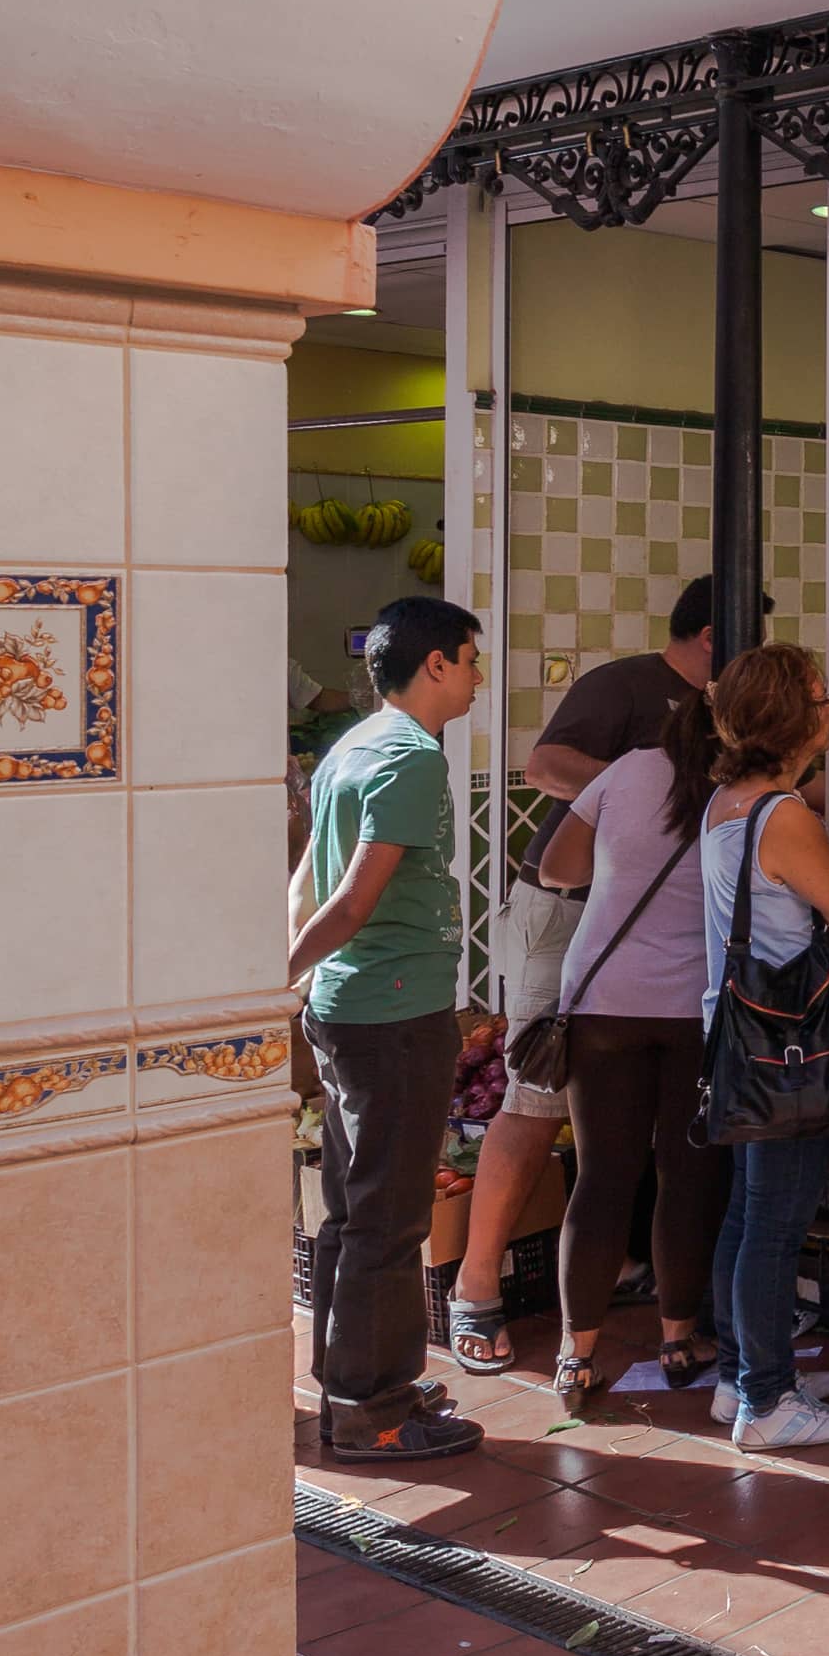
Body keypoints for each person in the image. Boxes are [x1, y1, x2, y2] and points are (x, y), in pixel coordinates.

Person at [445, 578, 755, 1373]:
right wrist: (636, 793)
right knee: (536, 1099)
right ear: (715, 635)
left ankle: (618, 1301)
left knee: (629, 1150)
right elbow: (543, 764)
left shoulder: (725, 721)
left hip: (637, 947)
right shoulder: (623, 686)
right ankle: (476, 1289)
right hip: (573, 922)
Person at [290, 596, 488, 1463]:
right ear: (435, 664)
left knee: (351, 1210)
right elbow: (354, 897)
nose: (480, 674)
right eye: (472, 658)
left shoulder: (352, 747)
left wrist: (296, 972)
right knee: (389, 1217)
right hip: (393, 1010)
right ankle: (374, 1409)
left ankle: (351, 1387)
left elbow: (307, 875)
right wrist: (282, 966)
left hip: (348, 1008)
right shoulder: (408, 757)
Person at [699, 643, 829, 1453]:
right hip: (788, 1046)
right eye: (824, 697)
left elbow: (770, 892)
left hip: (735, 1034)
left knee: (746, 1210)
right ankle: (768, 1403)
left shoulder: (728, 803)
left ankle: (740, 1373)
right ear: (798, 720)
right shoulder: (785, 812)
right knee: (776, 1220)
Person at [533, 688, 729, 1417]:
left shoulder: (624, 772)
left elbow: (555, 869)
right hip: (693, 1010)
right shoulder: (741, 791)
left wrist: (624, 867)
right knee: (687, 1176)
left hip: (603, 1001)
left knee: (602, 1179)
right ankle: (679, 1340)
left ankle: (574, 1357)